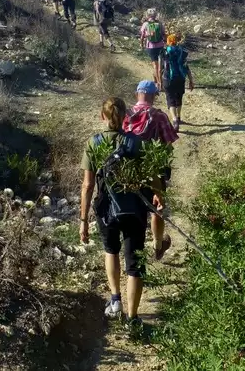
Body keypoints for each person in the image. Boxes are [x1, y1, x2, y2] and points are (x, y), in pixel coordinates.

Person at [80, 97, 164, 326]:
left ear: (102, 116)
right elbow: (154, 176)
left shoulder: (94, 143)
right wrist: (158, 194)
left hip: (107, 209)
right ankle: (133, 318)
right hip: (134, 210)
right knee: (134, 261)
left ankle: (115, 299)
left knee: (111, 251)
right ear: (126, 116)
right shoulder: (137, 143)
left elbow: (88, 186)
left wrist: (83, 220)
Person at [122, 80, 176, 261]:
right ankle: (157, 246)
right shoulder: (159, 116)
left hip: (129, 171)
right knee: (156, 209)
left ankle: (132, 250)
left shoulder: (125, 115)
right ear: (153, 96)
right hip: (154, 170)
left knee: (133, 208)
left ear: (138, 94)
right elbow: (169, 143)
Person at [162, 33, 194, 131]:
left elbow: (161, 67)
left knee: (170, 99)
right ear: (176, 41)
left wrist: (159, 80)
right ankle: (179, 118)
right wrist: (191, 80)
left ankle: (175, 120)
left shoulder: (164, 52)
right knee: (179, 97)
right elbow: (186, 67)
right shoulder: (182, 52)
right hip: (180, 78)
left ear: (168, 42)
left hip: (168, 79)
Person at [140, 9, 166, 90]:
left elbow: (142, 36)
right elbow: (163, 34)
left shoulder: (145, 24)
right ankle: (160, 82)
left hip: (151, 47)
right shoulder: (159, 24)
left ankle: (158, 84)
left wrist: (141, 44)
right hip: (160, 46)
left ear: (147, 15)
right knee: (160, 66)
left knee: (155, 66)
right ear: (155, 15)